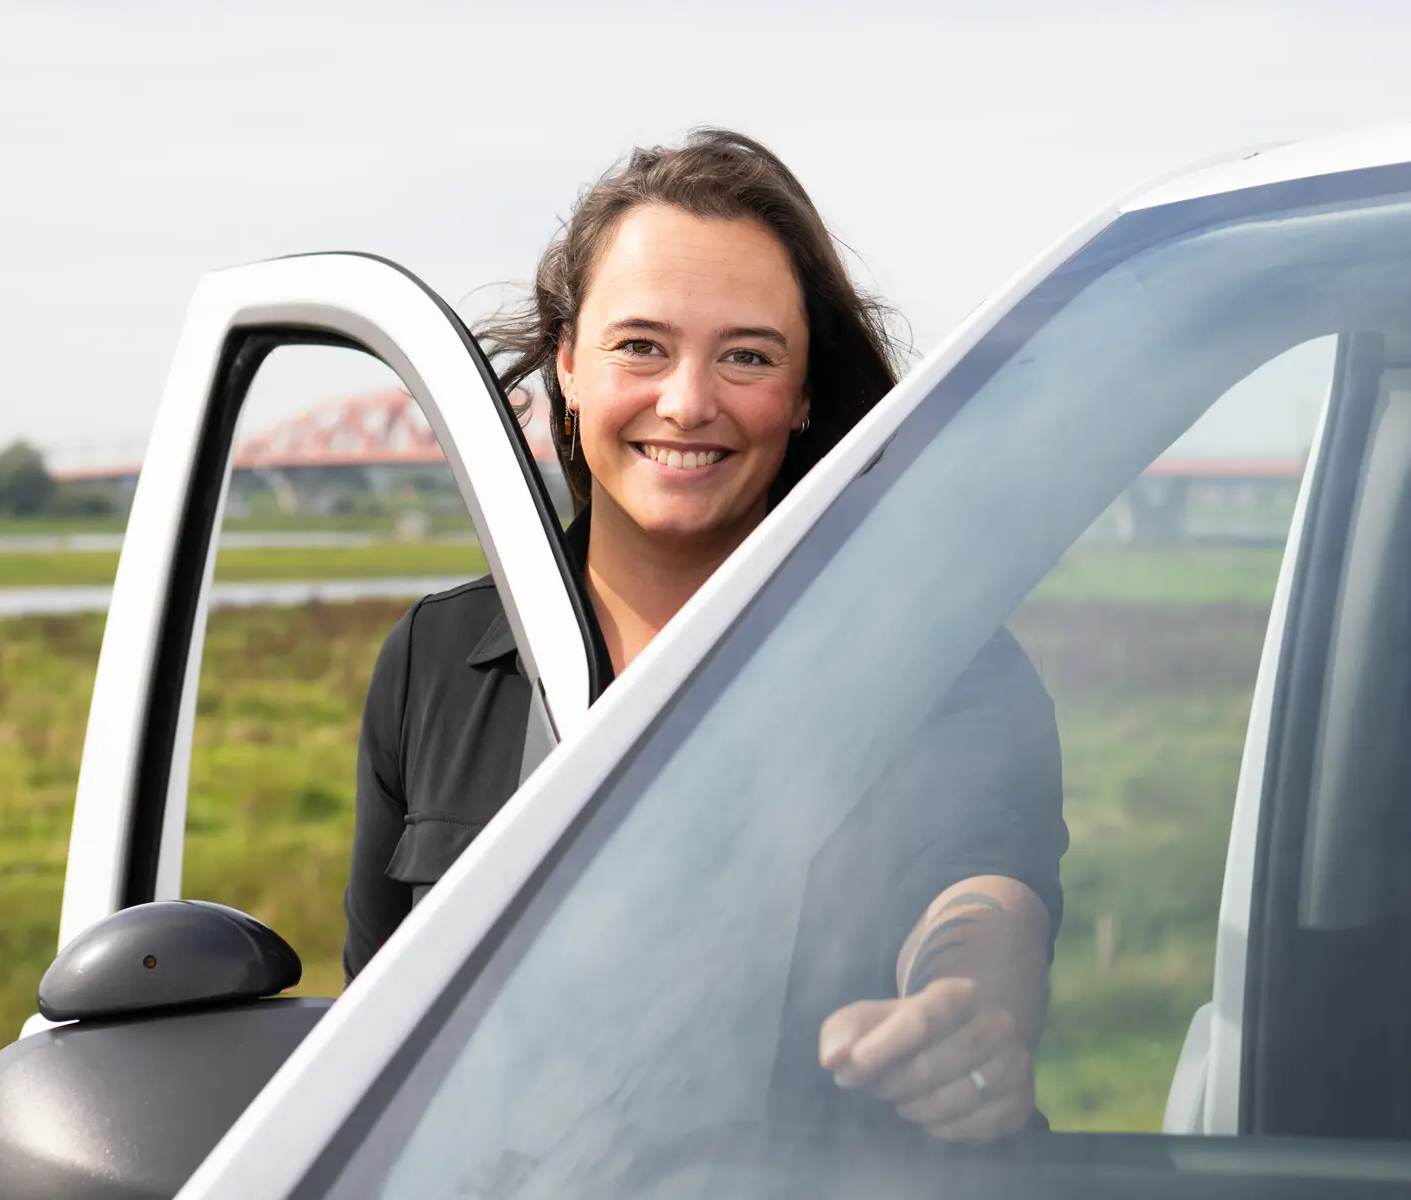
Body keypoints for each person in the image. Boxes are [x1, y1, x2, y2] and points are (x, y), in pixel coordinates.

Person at [342, 128, 1067, 1143]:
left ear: (806, 393)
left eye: (747, 357)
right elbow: (377, 1046)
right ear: (568, 367)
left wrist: (969, 1013)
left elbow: (984, 893)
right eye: (641, 345)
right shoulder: (435, 659)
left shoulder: (938, 658)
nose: (688, 403)